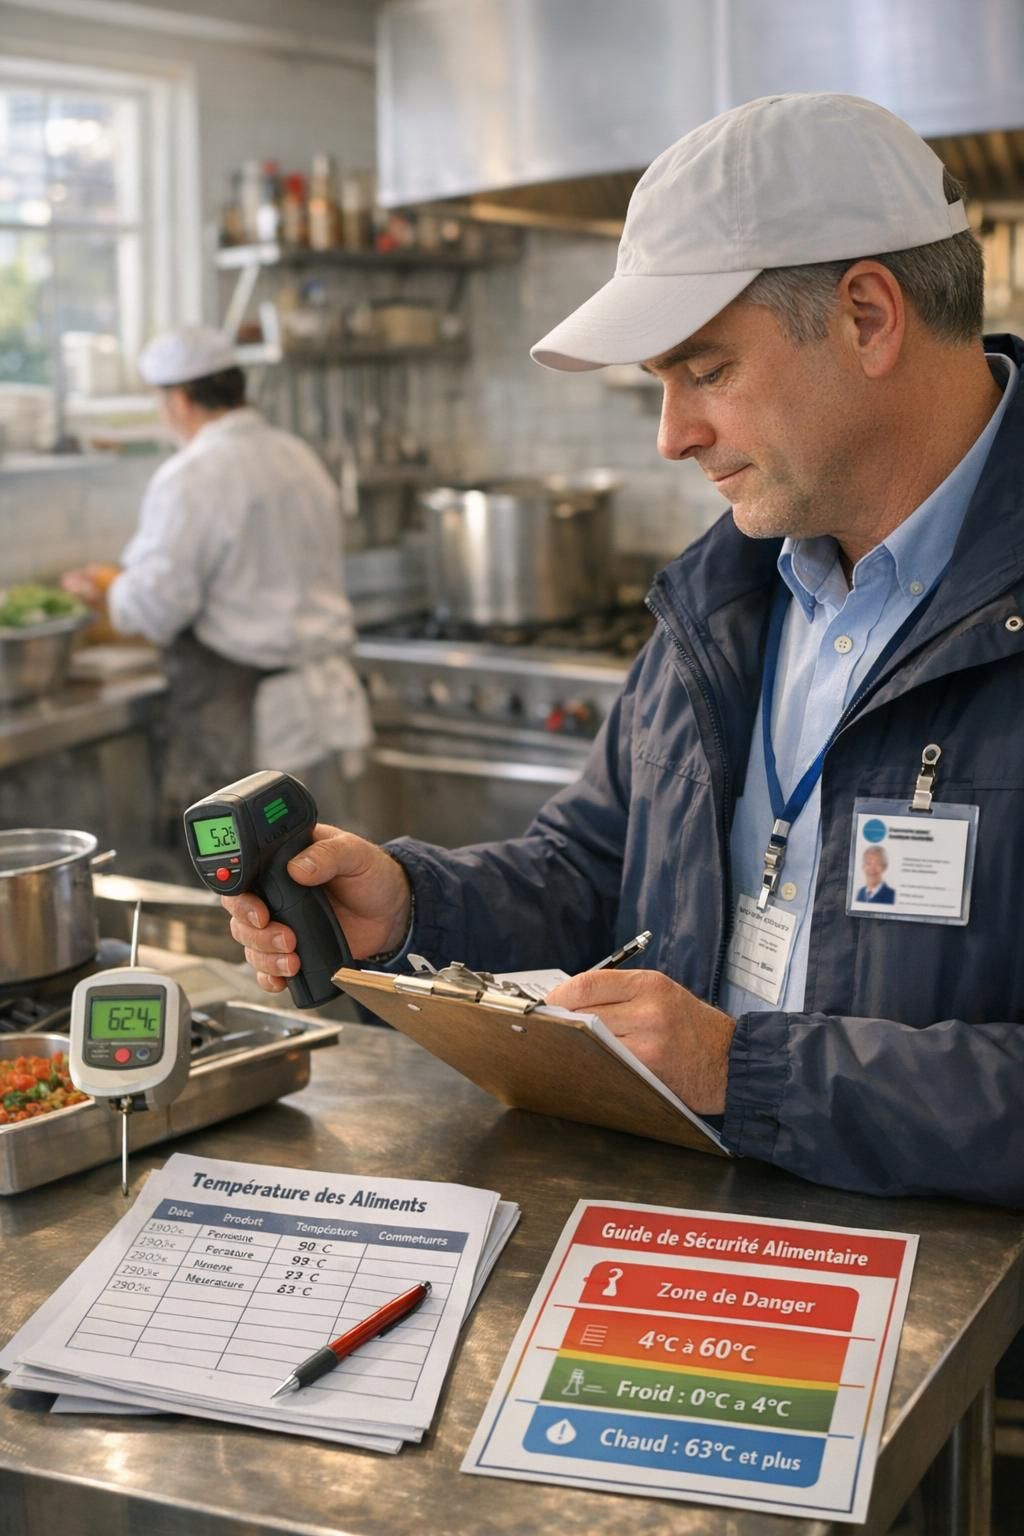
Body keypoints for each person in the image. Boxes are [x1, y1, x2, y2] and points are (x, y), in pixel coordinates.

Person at [222, 93, 1024, 1211]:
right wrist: (409, 910)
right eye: (660, 383)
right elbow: (595, 874)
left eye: (705, 370)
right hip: (693, 1230)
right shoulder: (724, 593)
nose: (671, 436)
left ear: (866, 317)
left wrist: (742, 1072)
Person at [63, 326, 372, 855]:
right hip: (325, 707)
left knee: (256, 878)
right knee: (327, 865)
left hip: (256, 724)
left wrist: (106, 591)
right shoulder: (296, 455)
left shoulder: (193, 475)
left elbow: (155, 608)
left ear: (180, 400)